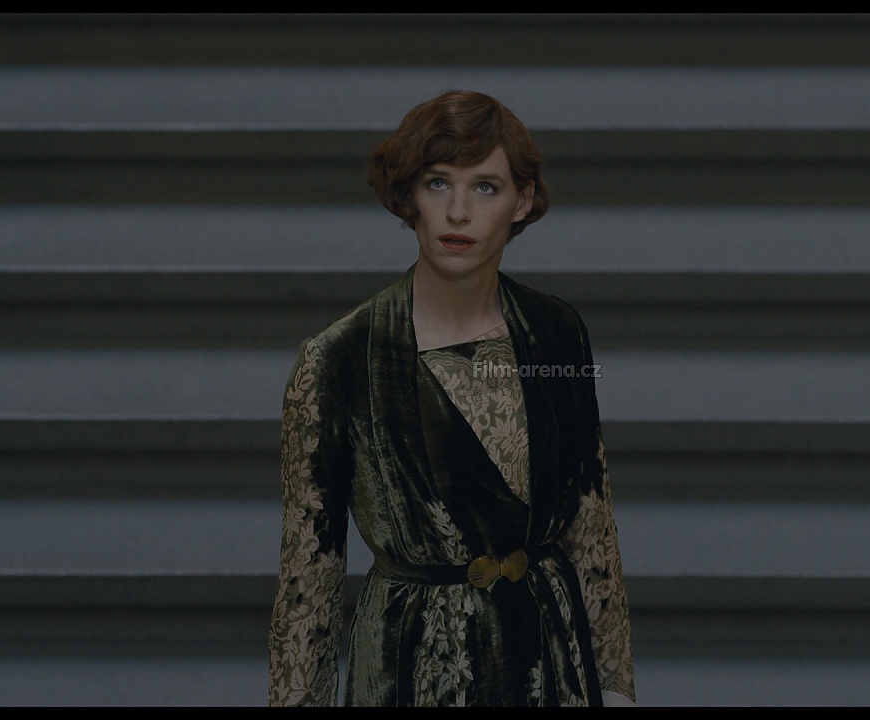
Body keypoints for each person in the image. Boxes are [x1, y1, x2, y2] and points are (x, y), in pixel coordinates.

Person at [267, 89, 635, 707]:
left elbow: (591, 526)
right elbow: (310, 578)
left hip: (550, 658)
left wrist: (617, 688)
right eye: (437, 183)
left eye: (485, 187)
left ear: (523, 201)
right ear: (409, 196)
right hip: (411, 668)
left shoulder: (558, 333)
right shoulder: (338, 360)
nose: (458, 212)